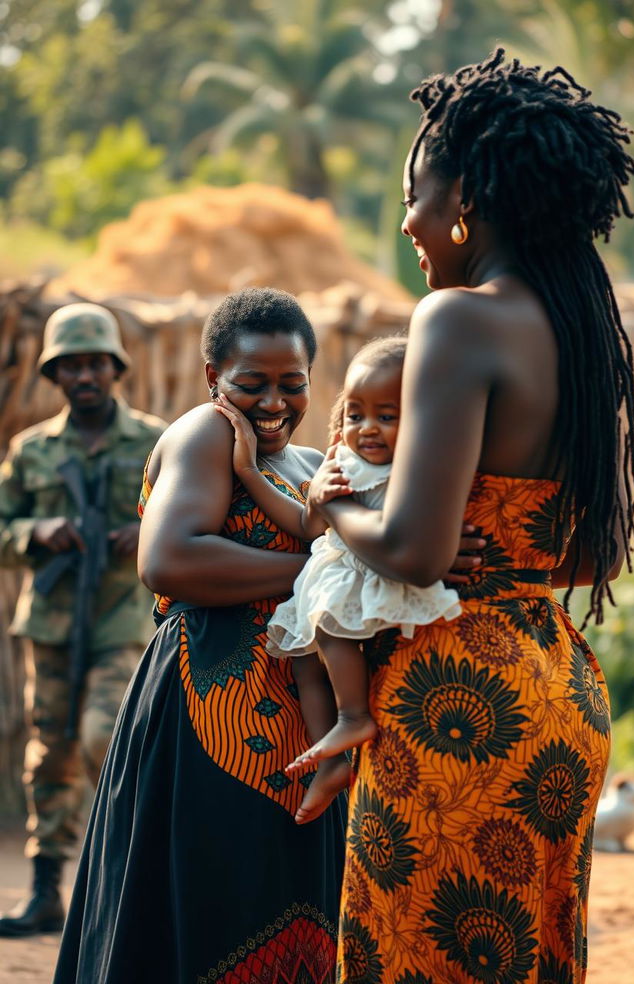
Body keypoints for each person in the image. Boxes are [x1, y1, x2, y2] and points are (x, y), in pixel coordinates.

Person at [307, 50, 634, 984]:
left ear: (463, 200)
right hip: (558, 694)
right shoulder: (581, 330)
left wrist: (336, 510)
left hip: (455, 708)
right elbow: (586, 556)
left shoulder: (456, 323)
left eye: (416, 195)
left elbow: (415, 552)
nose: (410, 222)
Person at [53, 288, 482, 984]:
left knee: (290, 910)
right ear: (212, 381)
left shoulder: (317, 469)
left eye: (293, 384)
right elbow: (169, 559)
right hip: (207, 718)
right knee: (211, 909)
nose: (274, 402)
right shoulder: (205, 434)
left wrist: (405, 564)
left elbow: (378, 561)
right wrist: (321, 574)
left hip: (301, 735)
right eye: (251, 384)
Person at [215, 335, 460, 825]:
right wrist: (250, 471)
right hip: (330, 578)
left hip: (370, 583)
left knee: (329, 630)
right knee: (306, 662)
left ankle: (353, 717)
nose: (367, 429)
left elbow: (415, 532)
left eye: (387, 417)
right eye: (355, 415)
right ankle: (331, 760)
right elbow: (309, 526)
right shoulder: (338, 463)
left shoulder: (418, 468)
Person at [0, 302, 166, 937]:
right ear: (54, 375)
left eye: (96, 363)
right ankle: (46, 890)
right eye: (71, 366)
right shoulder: (33, 451)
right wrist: (38, 532)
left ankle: (129, 876)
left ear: (115, 368)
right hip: (52, 619)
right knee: (51, 754)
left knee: (107, 736)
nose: (85, 376)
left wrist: (144, 533)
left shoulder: (155, 440)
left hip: (123, 618)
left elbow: (197, 511)